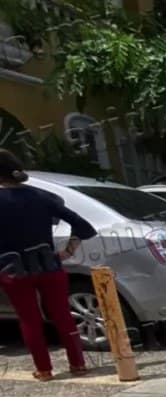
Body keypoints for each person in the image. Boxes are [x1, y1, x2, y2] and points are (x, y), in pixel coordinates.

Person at [0, 149, 96, 381]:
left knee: (29, 319)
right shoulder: (42, 196)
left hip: (13, 270)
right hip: (49, 265)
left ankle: (44, 370)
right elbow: (83, 226)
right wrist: (67, 252)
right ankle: (78, 364)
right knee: (62, 314)